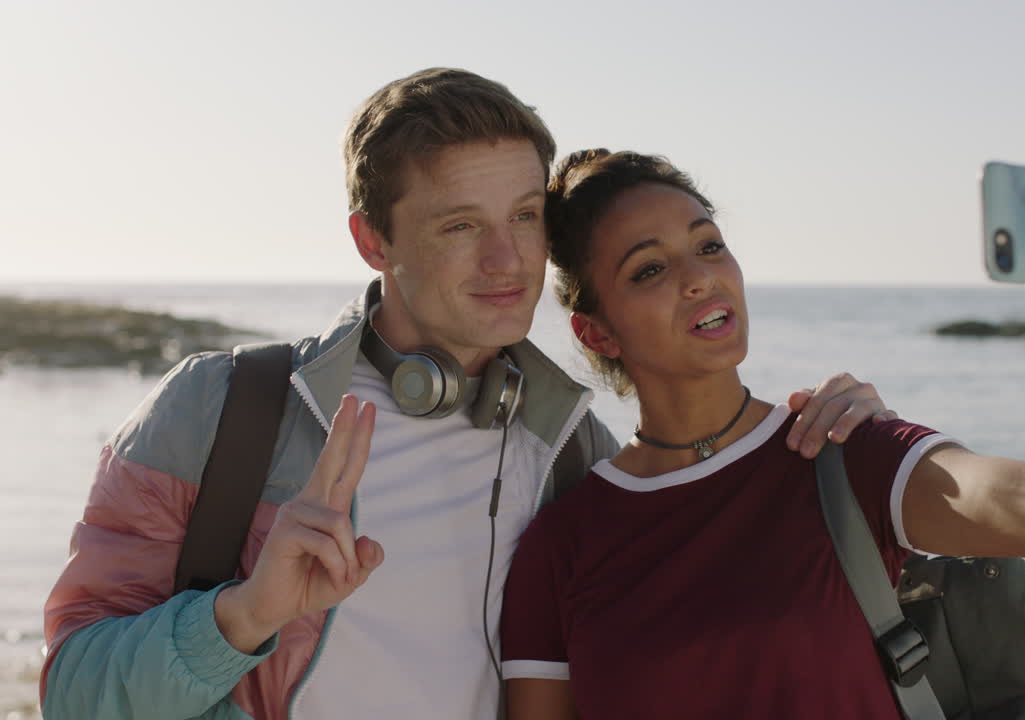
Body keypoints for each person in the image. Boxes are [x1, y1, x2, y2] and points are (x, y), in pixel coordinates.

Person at [39, 69, 894, 720]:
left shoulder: (571, 452)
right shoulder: (224, 411)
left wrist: (841, 438)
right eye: (460, 226)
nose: (508, 261)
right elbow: (73, 690)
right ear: (374, 240)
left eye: (525, 217)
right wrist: (243, 613)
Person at [498, 150, 1025, 719]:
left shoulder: (843, 451)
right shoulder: (561, 546)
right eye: (651, 268)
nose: (700, 278)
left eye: (710, 245)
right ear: (595, 332)